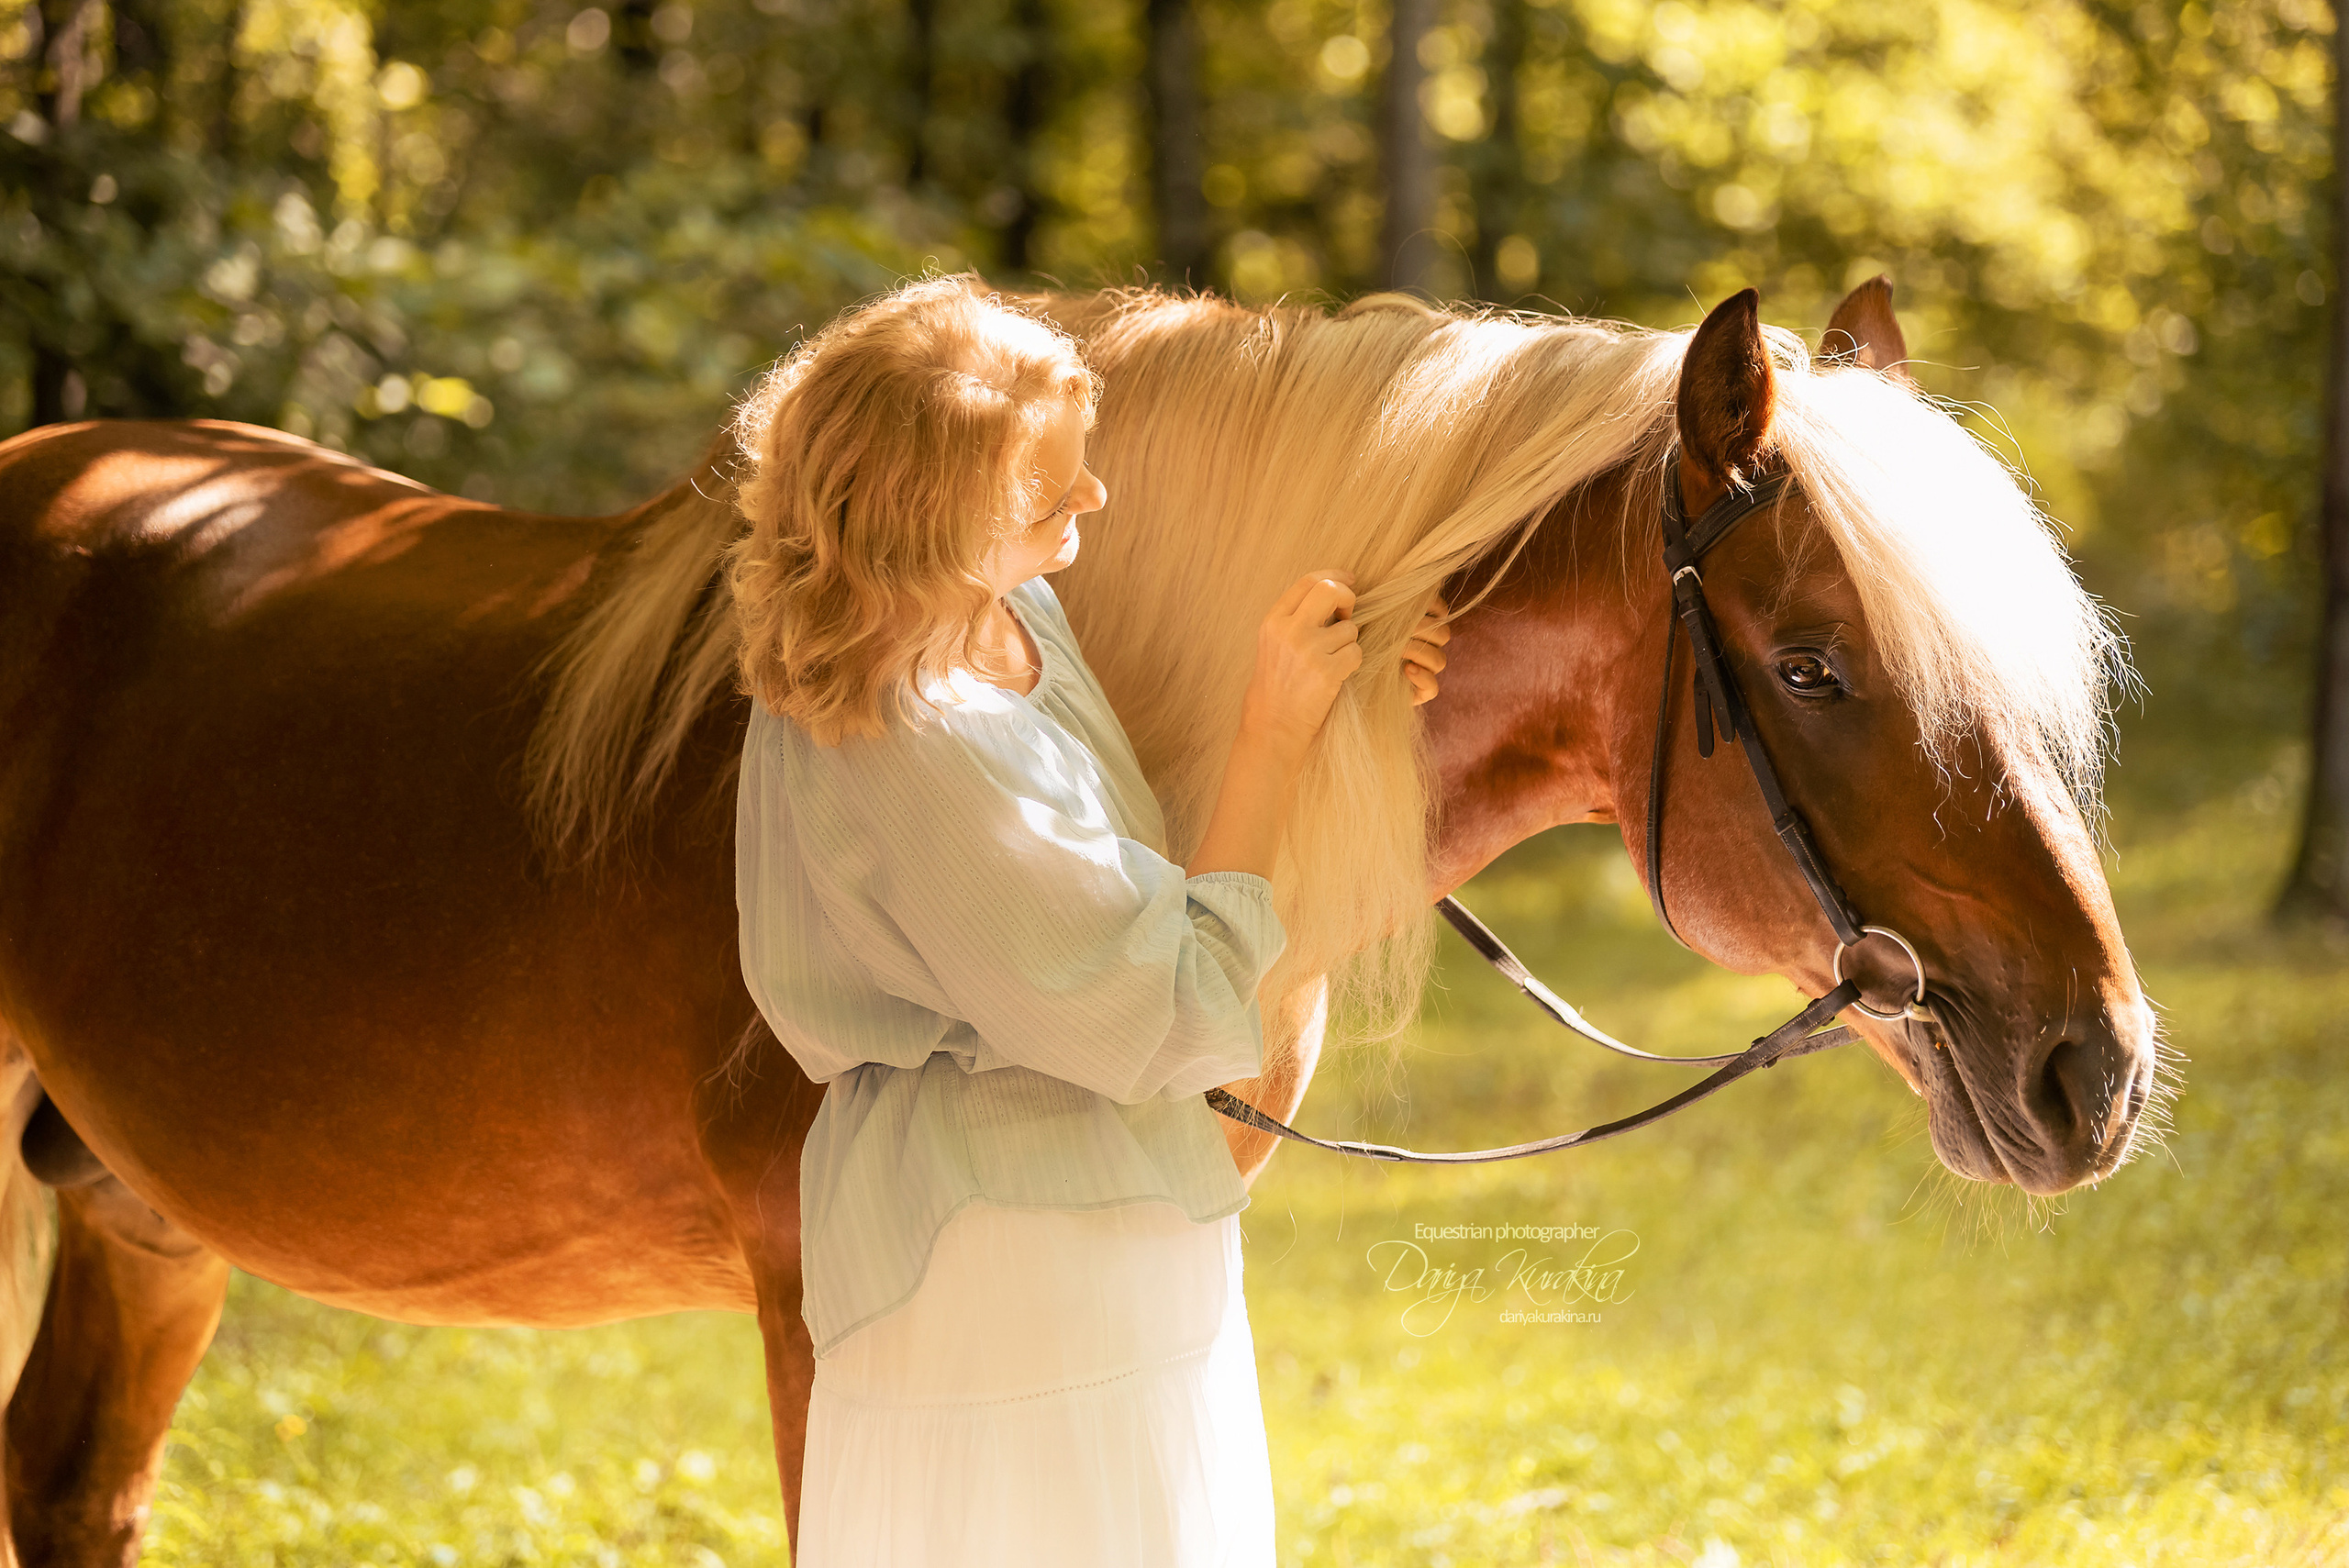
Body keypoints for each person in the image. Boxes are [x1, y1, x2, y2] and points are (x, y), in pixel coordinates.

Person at [725, 274, 1450, 1567]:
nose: (1094, 500)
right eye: (1049, 492)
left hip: (1104, 1226)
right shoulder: (915, 733)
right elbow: (1170, 1010)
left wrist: (1352, 688)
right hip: (1012, 1264)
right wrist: (1275, 725)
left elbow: (1126, 876)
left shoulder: (1008, 617)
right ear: (934, 517)